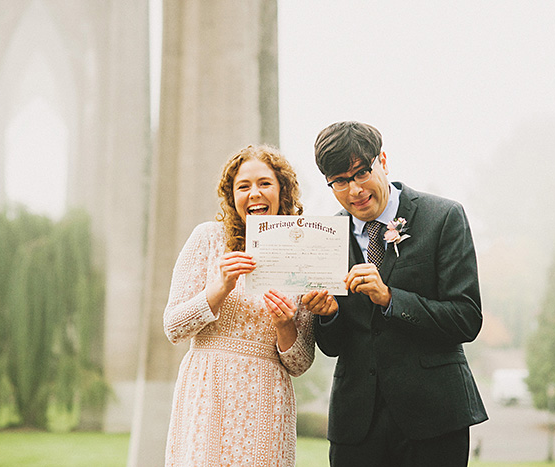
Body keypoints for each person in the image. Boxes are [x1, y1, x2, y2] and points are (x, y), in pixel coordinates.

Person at [302, 121, 488, 467]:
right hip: (356, 424)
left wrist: (390, 298)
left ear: (382, 161)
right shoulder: (325, 236)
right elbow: (332, 346)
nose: (354, 189)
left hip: (435, 418)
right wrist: (327, 316)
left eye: (361, 173)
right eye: (340, 181)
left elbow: (466, 318)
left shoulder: (443, 216)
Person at [163, 145, 315, 467]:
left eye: (264, 183)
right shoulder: (207, 238)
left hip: (266, 398)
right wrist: (219, 288)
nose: (254, 193)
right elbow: (173, 328)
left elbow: (300, 363)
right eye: (243, 186)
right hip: (207, 391)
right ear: (231, 196)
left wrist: (284, 323)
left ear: (282, 190)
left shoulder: (302, 253)